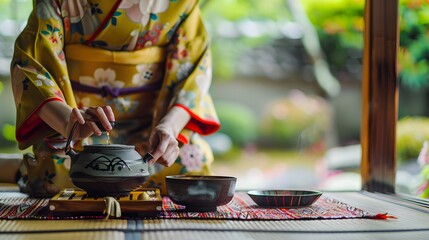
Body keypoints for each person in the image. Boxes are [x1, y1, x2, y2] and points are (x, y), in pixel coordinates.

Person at [10, 0, 220, 197]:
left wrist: (169, 128)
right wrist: (67, 122)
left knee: (190, 167)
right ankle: (28, 166)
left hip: (150, 132)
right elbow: (32, 64)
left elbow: (193, 71)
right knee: (55, 173)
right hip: (80, 129)